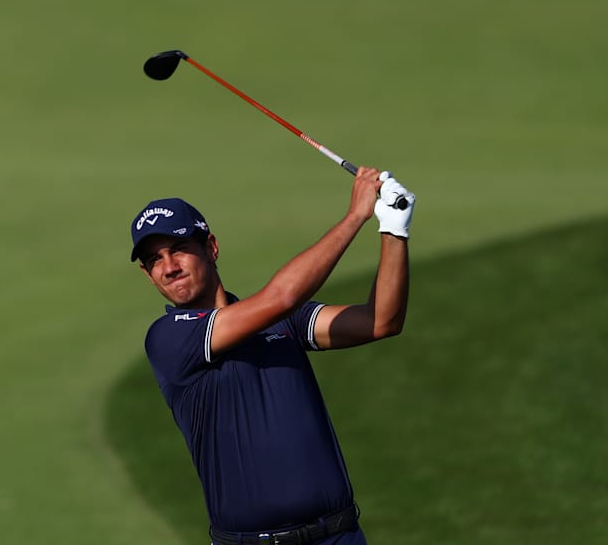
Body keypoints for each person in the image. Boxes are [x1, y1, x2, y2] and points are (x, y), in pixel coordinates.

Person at [129, 167, 415, 545]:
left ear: (211, 247)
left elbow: (381, 321)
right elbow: (282, 297)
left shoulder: (284, 322)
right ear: (148, 274)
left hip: (339, 536)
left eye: (179, 248)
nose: (169, 267)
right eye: (155, 259)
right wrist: (354, 217)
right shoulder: (168, 338)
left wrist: (394, 231)